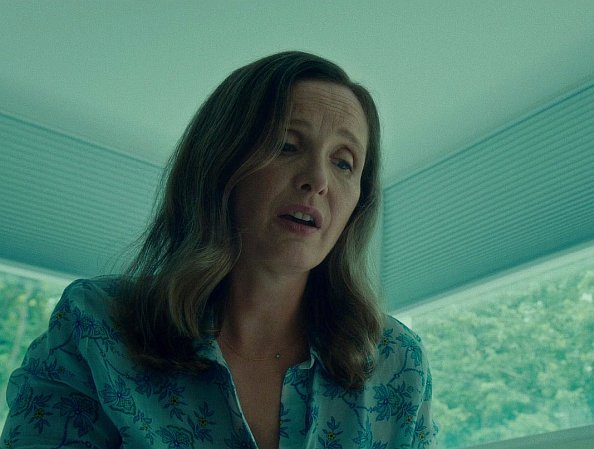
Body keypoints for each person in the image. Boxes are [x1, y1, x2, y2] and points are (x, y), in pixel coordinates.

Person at [1, 51, 438, 448]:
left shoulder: (397, 361)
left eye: (344, 162)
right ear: (220, 160)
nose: (318, 180)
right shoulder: (98, 326)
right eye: (286, 145)